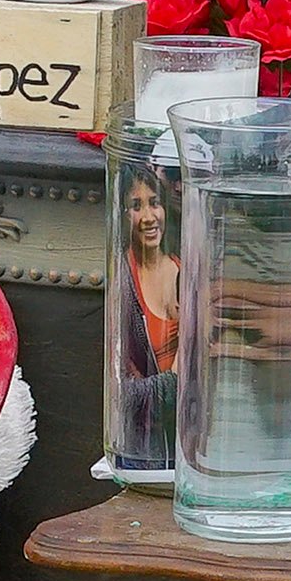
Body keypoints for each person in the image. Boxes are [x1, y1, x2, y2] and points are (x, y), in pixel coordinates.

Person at [111, 168, 180, 468]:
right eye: (136, 206)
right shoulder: (123, 282)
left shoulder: (184, 267)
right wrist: (174, 381)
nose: (149, 216)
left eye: (154, 202)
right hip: (142, 452)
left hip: (187, 442)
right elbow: (121, 393)